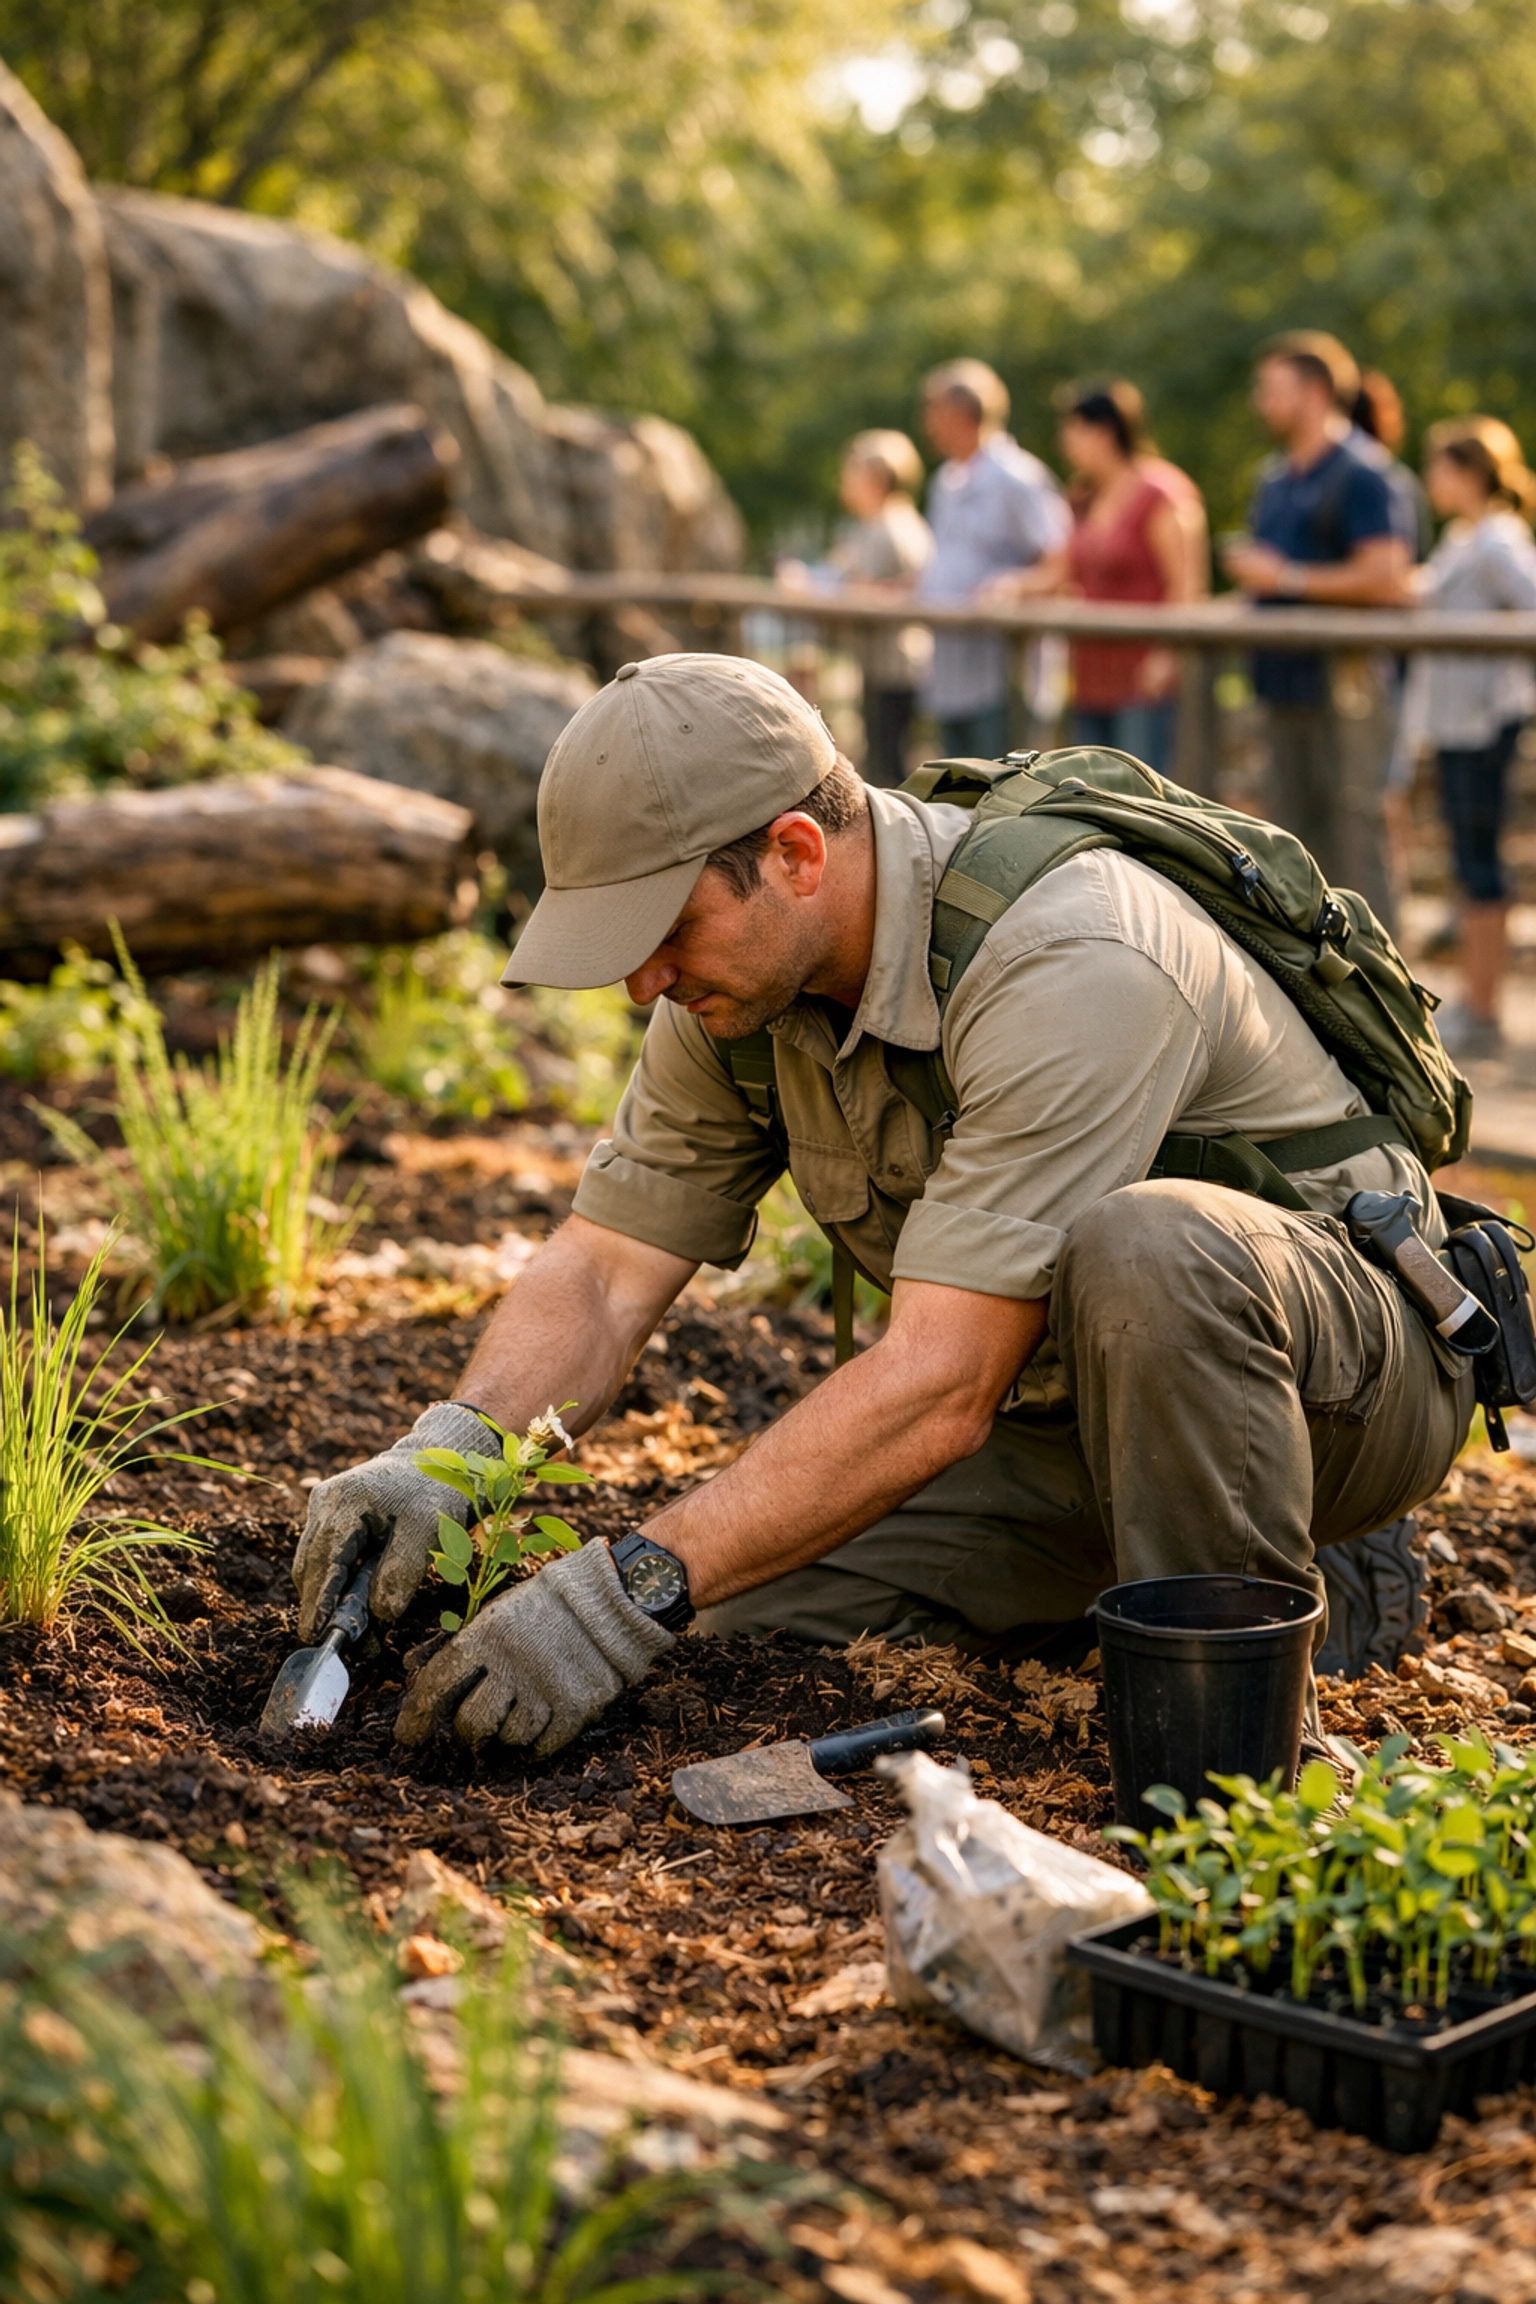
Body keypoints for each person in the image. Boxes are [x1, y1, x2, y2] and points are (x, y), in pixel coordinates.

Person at [291, 653, 1473, 1762]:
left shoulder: (1073, 955)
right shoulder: (733, 993)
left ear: (798, 854)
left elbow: (939, 1383)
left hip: (1342, 1396)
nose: (643, 981)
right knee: (727, 1623)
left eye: (662, 931)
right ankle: (1120, 1589)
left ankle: (1245, 1726)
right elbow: (605, 1272)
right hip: (1057, 1424)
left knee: (1149, 1248)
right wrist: (451, 1454)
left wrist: (624, 1590)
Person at [1225, 331, 1410, 924]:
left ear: (1315, 391)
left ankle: (1382, 992)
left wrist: (1287, 579)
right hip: (1281, 685)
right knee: (1288, 839)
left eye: (1271, 389)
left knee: (1356, 837)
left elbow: (1386, 574)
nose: (1260, 402)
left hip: (1346, 687)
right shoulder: (1273, 479)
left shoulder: (1362, 474)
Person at [982, 380, 1205, 778]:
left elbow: (1186, 585)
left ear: (1102, 432)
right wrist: (1012, 585)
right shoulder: (1083, 498)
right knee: (1096, 791)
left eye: (1072, 430)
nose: (1064, 442)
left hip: (1143, 676)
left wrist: (1167, 654)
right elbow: (1061, 574)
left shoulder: (1161, 493)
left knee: (1142, 793)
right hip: (1089, 676)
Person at [1400, 417, 1536, 1059]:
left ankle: (1485, 1009)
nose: (1432, 482)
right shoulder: (1462, 539)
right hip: (1454, 723)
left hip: (1485, 719)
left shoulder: (1498, 540)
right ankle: (1473, 1001)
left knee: (1481, 859)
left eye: (1441, 468)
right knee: (1466, 855)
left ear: (1468, 472)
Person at [914, 358, 1070, 759]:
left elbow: (1060, 564)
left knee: (1005, 795)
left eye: (934, 410)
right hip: (952, 672)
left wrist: (1012, 585)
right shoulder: (945, 481)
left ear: (963, 413)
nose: (927, 423)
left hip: (1003, 677)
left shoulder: (1019, 479)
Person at [781, 431, 934, 787]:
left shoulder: (890, 528)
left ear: (876, 478)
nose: (844, 481)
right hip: (882, 661)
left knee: (890, 761)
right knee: (883, 752)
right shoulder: (880, 526)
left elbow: (869, 588)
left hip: (894, 664)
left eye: (852, 472)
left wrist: (815, 588)